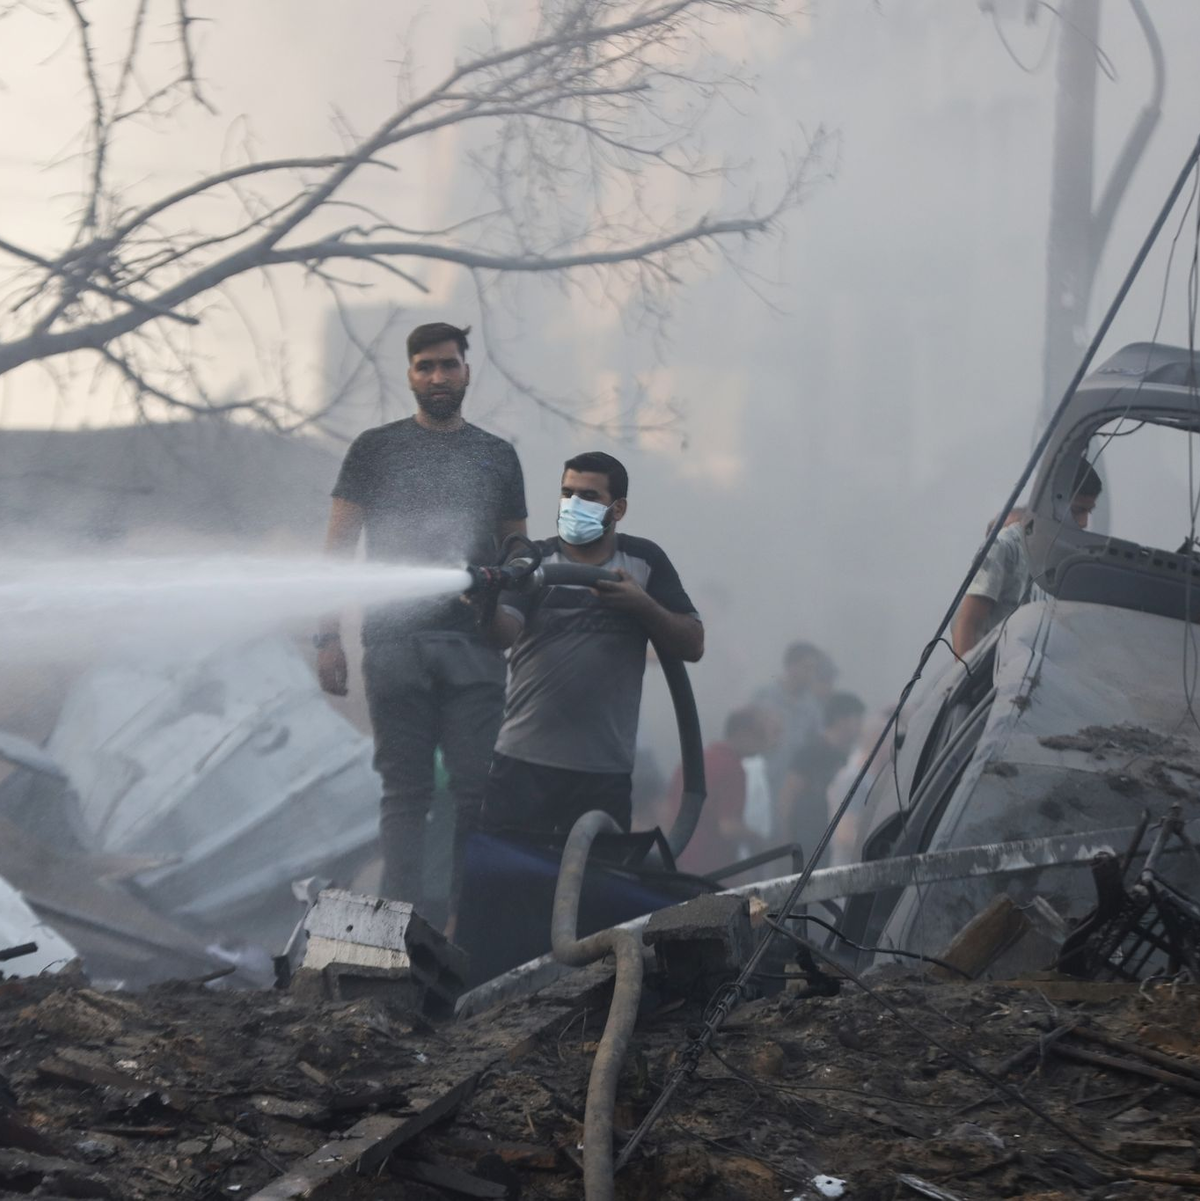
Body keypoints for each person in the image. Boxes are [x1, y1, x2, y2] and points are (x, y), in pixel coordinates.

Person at [316, 321, 527, 926]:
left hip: (474, 646)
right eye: (425, 366)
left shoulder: (497, 455)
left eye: (449, 365)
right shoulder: (374, 449)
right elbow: (336, 550)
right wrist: (328, 637)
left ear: (467, 371)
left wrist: (506, 604)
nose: (438, 376)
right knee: (404, 796)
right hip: (393, 645)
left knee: (475, 795)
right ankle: (396, 934)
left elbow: (519, 548)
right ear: (409, 375)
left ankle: (465, 927)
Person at [480, 451, 704, 835]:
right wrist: (484, 604)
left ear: (618, 509)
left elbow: (692, 644)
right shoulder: (534, 561)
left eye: (588, 496)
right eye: (567, 493)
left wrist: (642, 605)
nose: (573, 505)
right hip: (522, 764)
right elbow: (503, 633)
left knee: (591, 887)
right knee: (509, 884)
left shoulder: (644, 562)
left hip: (603, 773)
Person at [953, 459, 1102, 657]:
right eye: (1077, 510)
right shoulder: (1005, 546)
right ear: (1049, 501)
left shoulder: (1068, 558)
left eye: (1088, 511)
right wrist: (968, 684)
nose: (1084, 523)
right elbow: (966, 623)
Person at [669, 705, 780, 877]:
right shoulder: (732, 768)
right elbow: (728, 827)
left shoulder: (694, 759)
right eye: (759, 734)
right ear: (742, 734)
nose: (765, 741)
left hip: (678, 861)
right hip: (713, 868)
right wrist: (758, 841)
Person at [777, 691, 865, 865]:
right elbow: (787, 796)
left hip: (832, 843)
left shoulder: (851, 757)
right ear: (841, 719)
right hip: (808, 842)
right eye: (857, 719)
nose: (861, 726)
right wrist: (785, 841)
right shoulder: (810, 752)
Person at [754, 641, 836, 802]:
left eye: (814, 669)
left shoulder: (813, 708)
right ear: (790, 666)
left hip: (792, 787)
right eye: (807, 668)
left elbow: (815, 743)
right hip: (760, 782)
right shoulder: (763, 697)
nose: (811, 674)